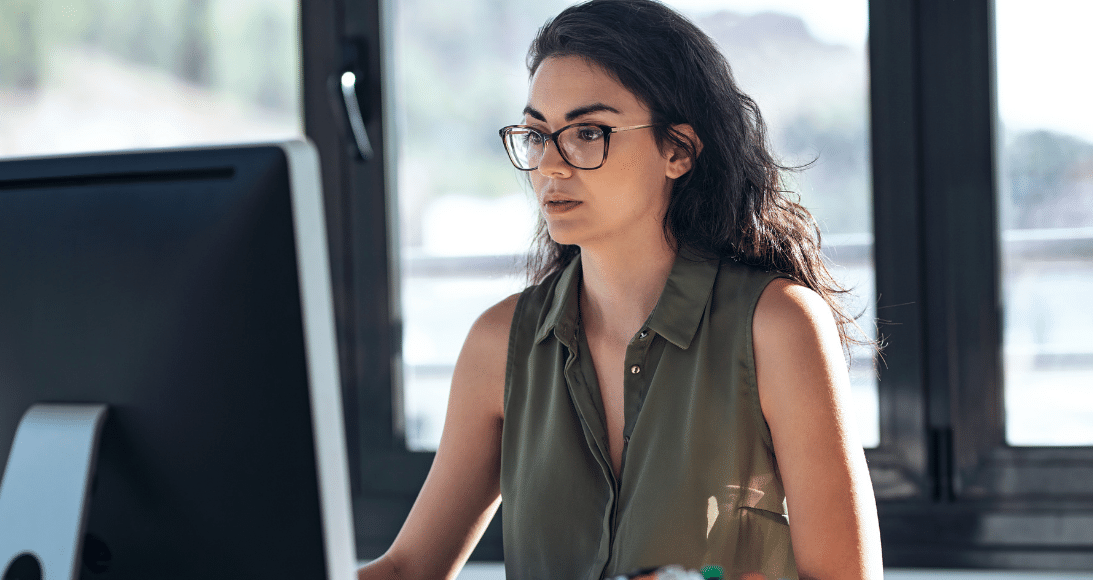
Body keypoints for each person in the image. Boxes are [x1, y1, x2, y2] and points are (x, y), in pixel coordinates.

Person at [359, 1, 884, 578]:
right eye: (537, 135)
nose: (551, 166)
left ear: (677, 151)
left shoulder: (779, 327)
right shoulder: (498, 342)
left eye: (588, 133)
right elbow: (408, 571)